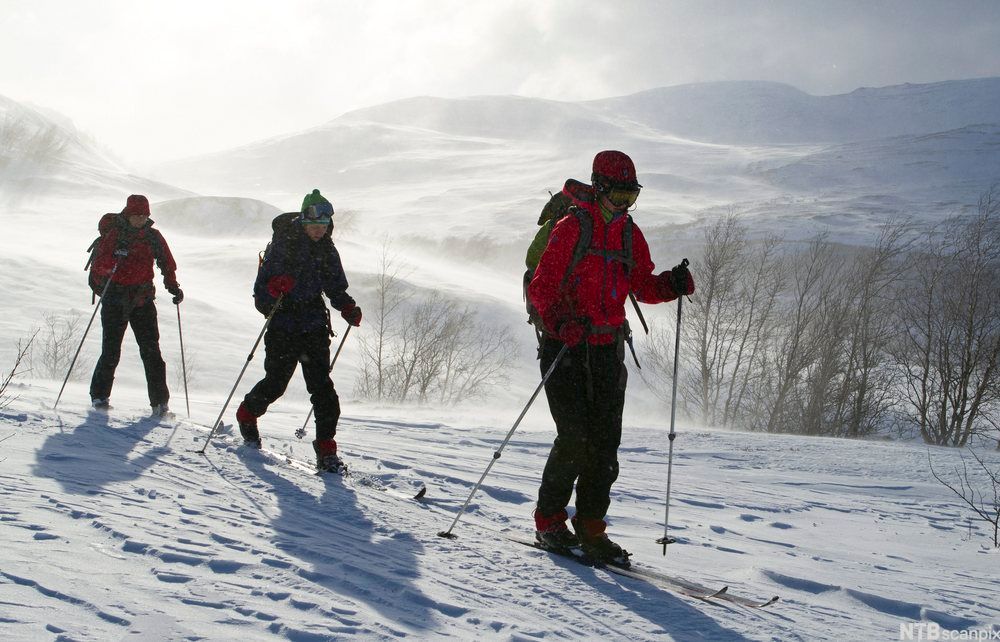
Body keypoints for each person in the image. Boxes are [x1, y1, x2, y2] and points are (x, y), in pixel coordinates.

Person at [526, 150, 695, 564]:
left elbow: (642, 286)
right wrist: (562, 321)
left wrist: (671, 285)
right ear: (599, 188)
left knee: (605, 445)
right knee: (574, 438)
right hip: (564, 346)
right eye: (618, 195)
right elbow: (542, 288)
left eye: (631, 197)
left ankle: (591, 529)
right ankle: (549, 522)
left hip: (606, 349)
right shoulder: (570, 229)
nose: (623, 205)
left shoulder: (628, 235)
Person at [235, 189, 362, 472]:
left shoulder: (327, 249)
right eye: (314, 226)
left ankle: (327, 450)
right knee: (277, 383)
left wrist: (348, 307)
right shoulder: (282, 246)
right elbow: (261, 293)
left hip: (314, 325)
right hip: (283, 323)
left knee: (323, 389)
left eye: (324, 227)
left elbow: (335, 287)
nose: (319, 231)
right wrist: (274, 286)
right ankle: (246, 414)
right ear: (304, 222)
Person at [89, 194, 183, 416]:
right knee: (111, 351)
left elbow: (166, 264)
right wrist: (116, 259)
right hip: (115, 299)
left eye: (144, 215)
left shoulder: (152, 237)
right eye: (136, 214)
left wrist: (173, 286)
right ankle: (99, 398)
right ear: (128, 214)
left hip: (142, 299)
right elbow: (100, 265)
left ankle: (160, 404)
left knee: (152, 352)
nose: (140, 218)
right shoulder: (114, 235)